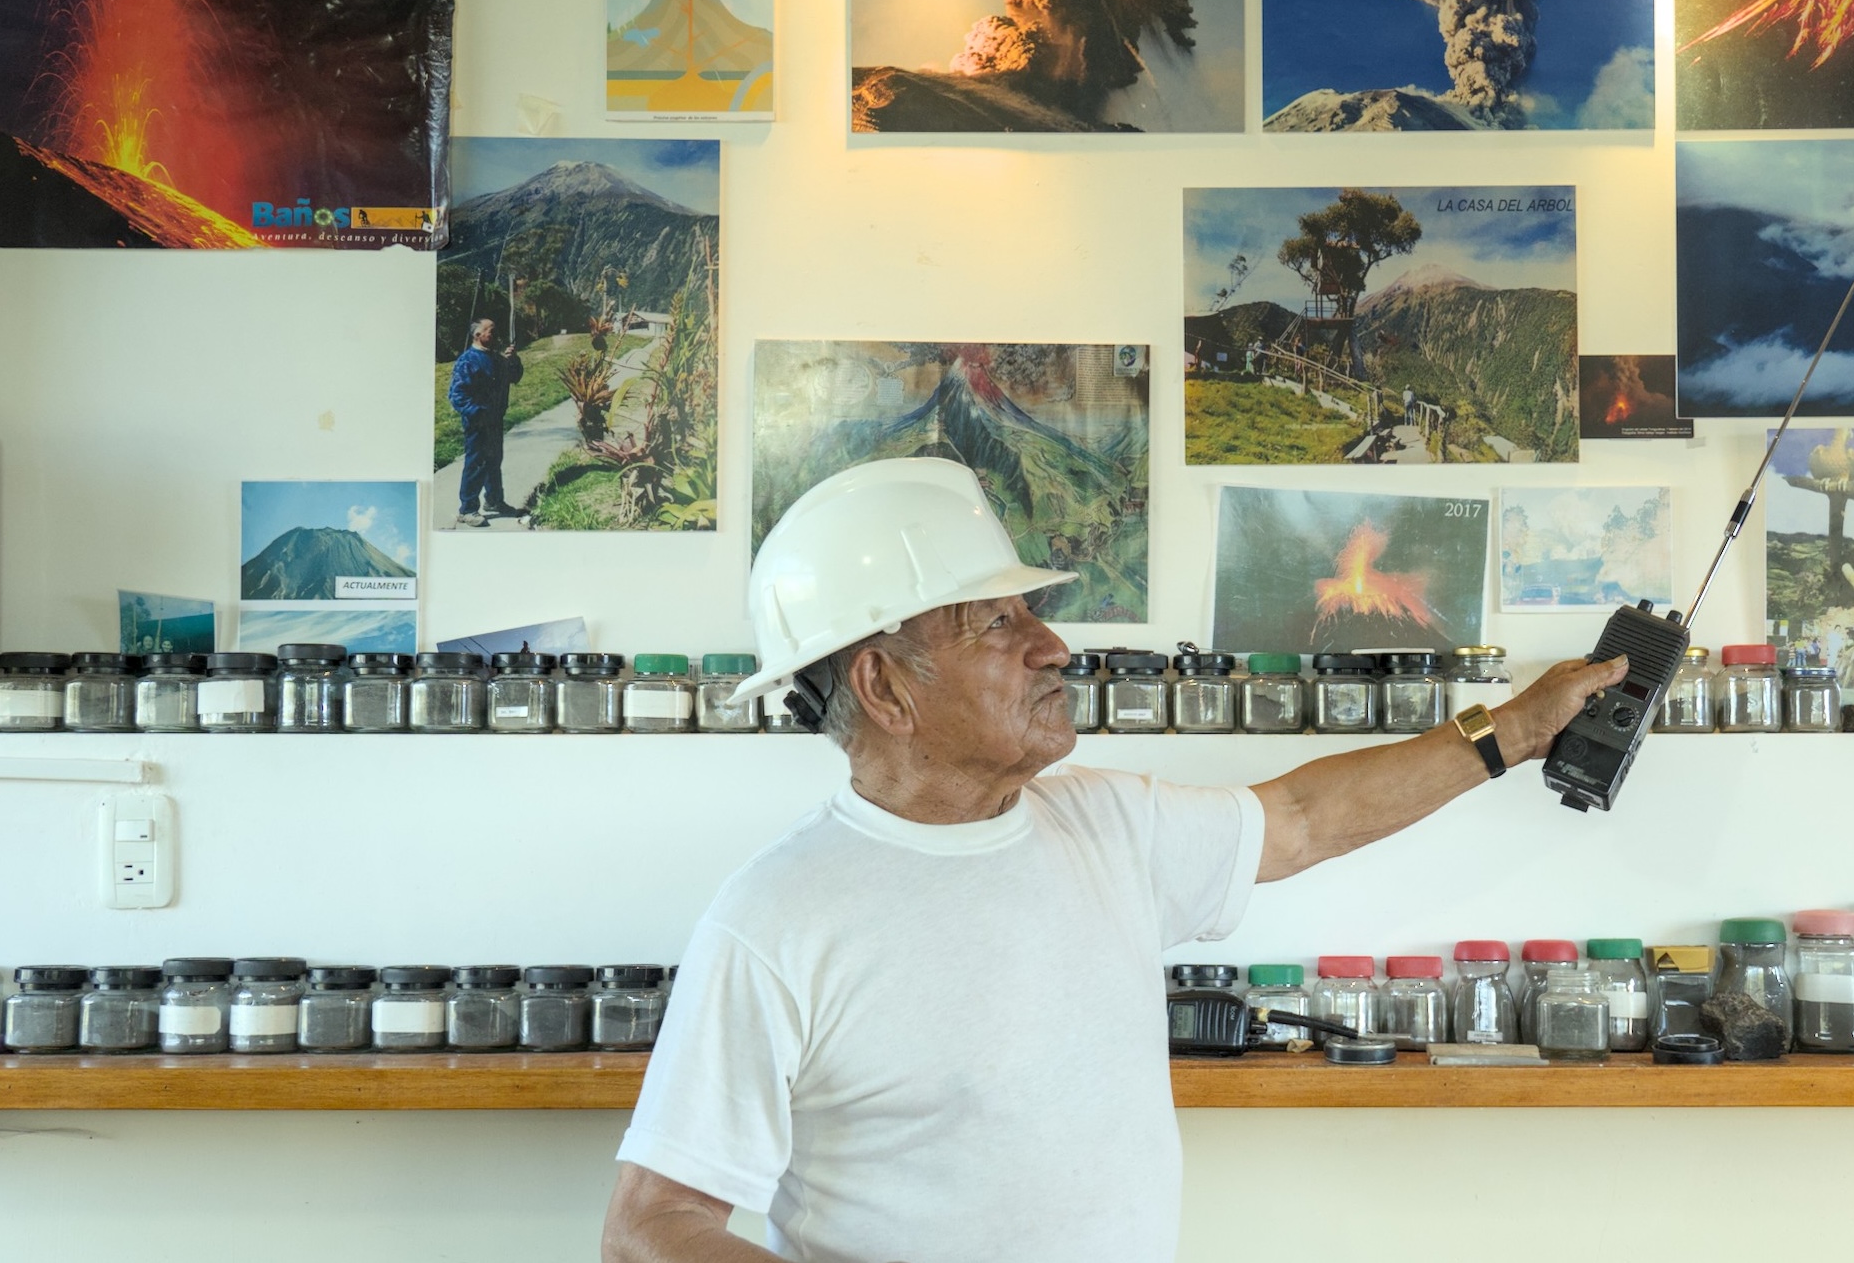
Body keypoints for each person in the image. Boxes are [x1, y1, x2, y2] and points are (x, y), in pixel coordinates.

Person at [602, 458, 1629, 1263]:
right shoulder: (779, 917)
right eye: (995, 622)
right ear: (884, 686)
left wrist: (1518, 729)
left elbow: (1307, 818)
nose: (1051, 647)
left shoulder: (1103, 824)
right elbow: (649, 1229)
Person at [446, 318, 524, 527]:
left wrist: (514, 360)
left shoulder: (498, 359)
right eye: (491, 330)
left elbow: (514, 377)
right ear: (477, 335)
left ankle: (494, 501)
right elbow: (456, 395)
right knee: (476, 464)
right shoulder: (467, 361)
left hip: (495, 420)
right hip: (477, 423)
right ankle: (468, 509)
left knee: (494, 461)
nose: (495, 334)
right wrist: (478, 414)